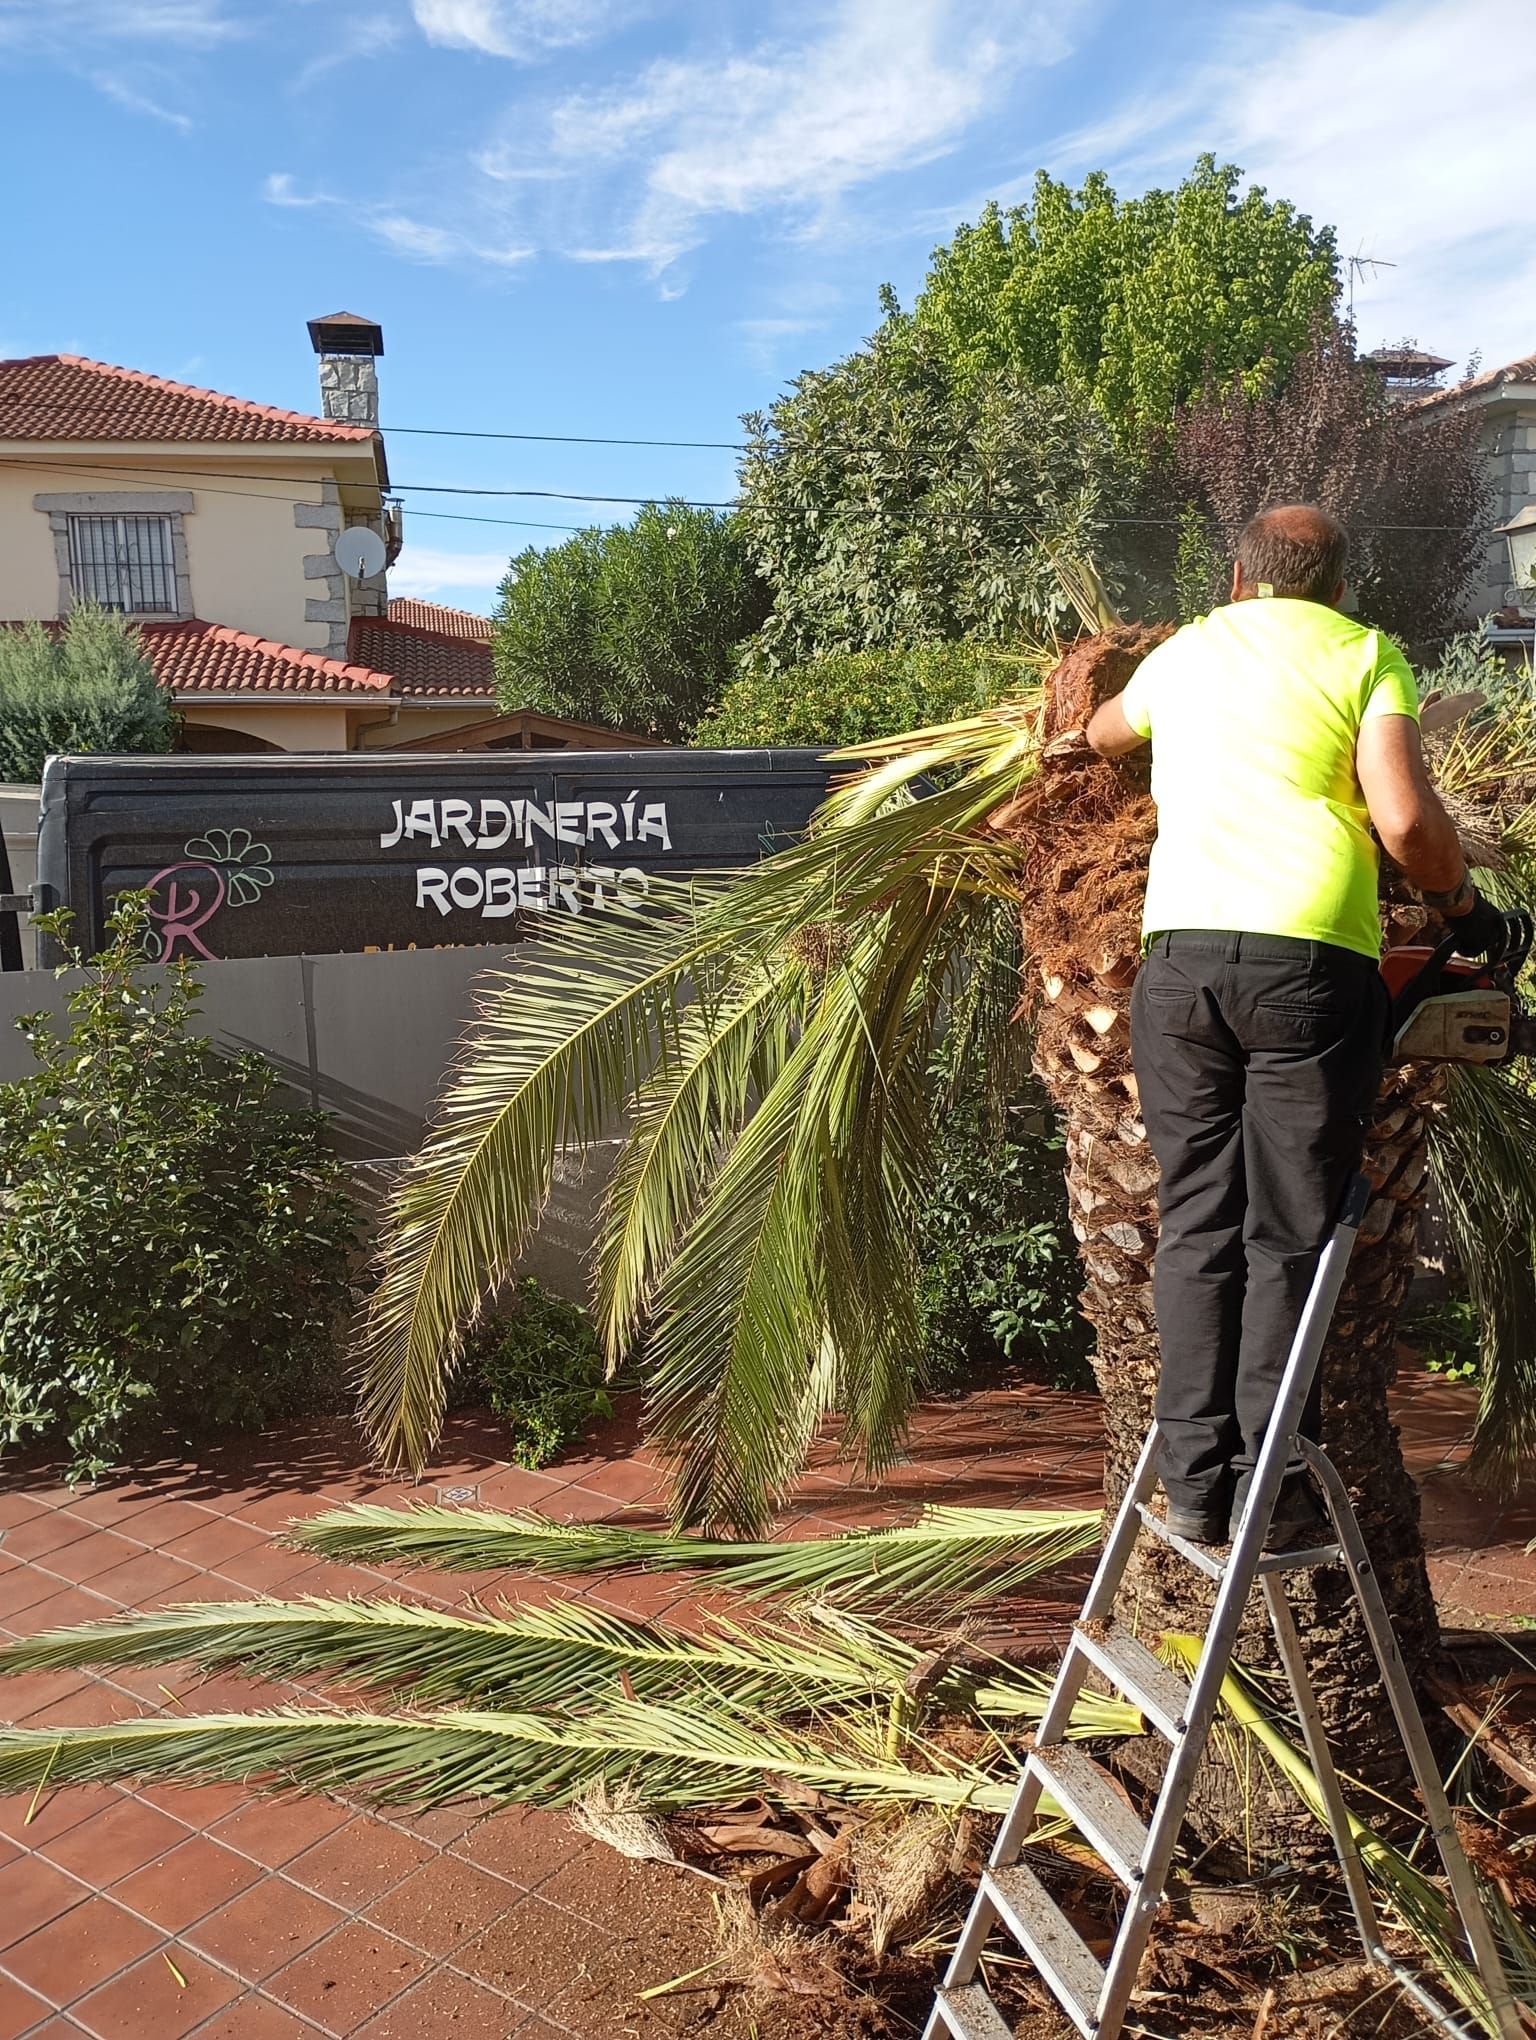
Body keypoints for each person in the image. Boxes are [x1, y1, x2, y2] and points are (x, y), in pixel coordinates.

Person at [1085, 503, 1508, 1548]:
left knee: (1196, 1222)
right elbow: (1406, 819)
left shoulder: (1189, 650)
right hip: (1310, 964)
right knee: (1286, 1233)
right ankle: (1270, 1493)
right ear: (1337, 587)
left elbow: (1099, 734)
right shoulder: (1365, 654)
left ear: (1239, 578)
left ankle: (1193, 1486)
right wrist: (1467, 912)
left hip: (1179, 969)